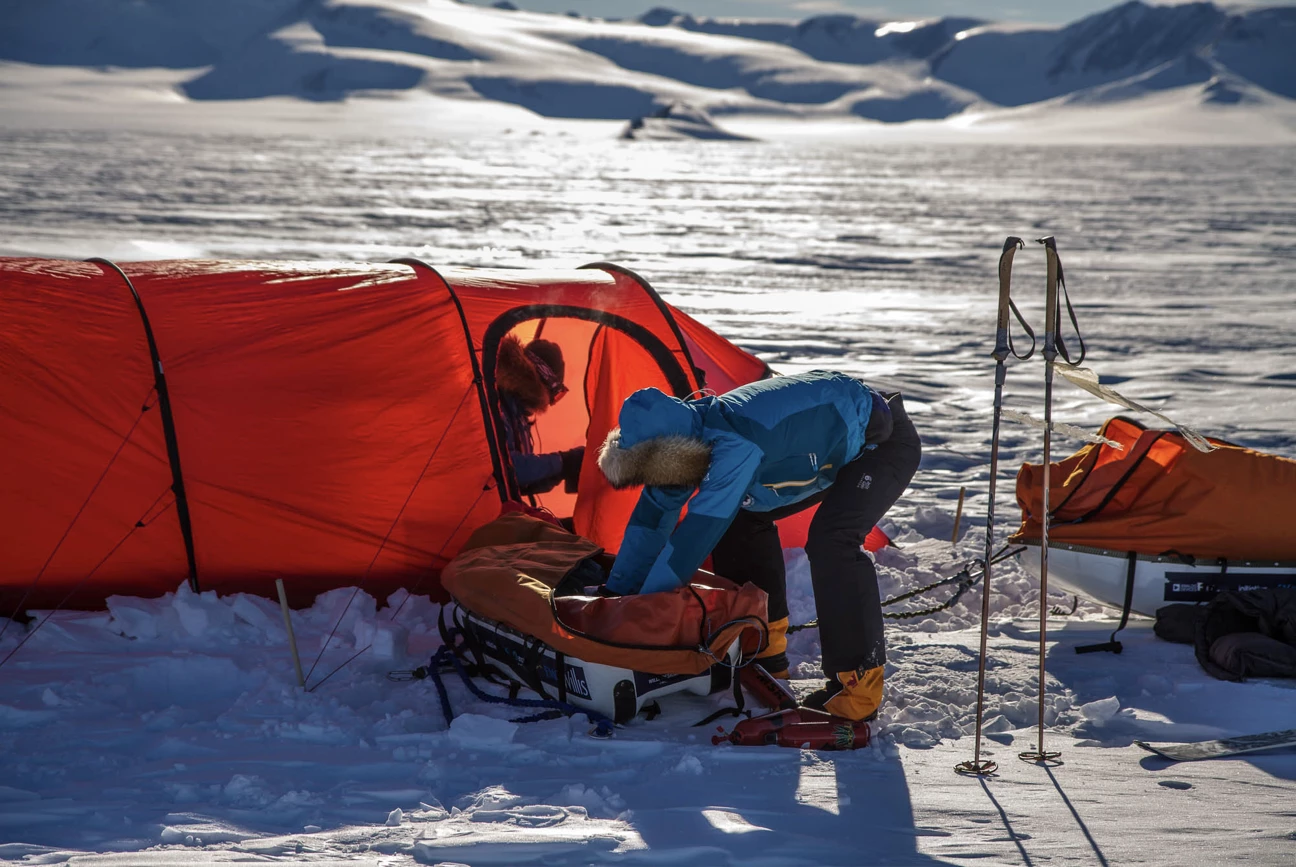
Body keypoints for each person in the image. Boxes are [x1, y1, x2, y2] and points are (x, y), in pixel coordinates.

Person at [595, 370, 921, 722]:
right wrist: (616, 593)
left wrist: (641, 614)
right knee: (741, 518)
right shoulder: (682, 441)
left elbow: (691, 542)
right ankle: (764, 652)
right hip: (827, 445)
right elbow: (651, 521)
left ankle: (859, 688)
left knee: (833, 541)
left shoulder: (734, 443)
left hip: (881, 443)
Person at [495, 334, 584, 497]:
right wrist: (563, 461)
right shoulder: (497, 406)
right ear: (544, 383)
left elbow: (523, 484)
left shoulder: (517, 413)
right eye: (555, 394)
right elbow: (505, 469)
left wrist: (565, 469)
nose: (550, 403)